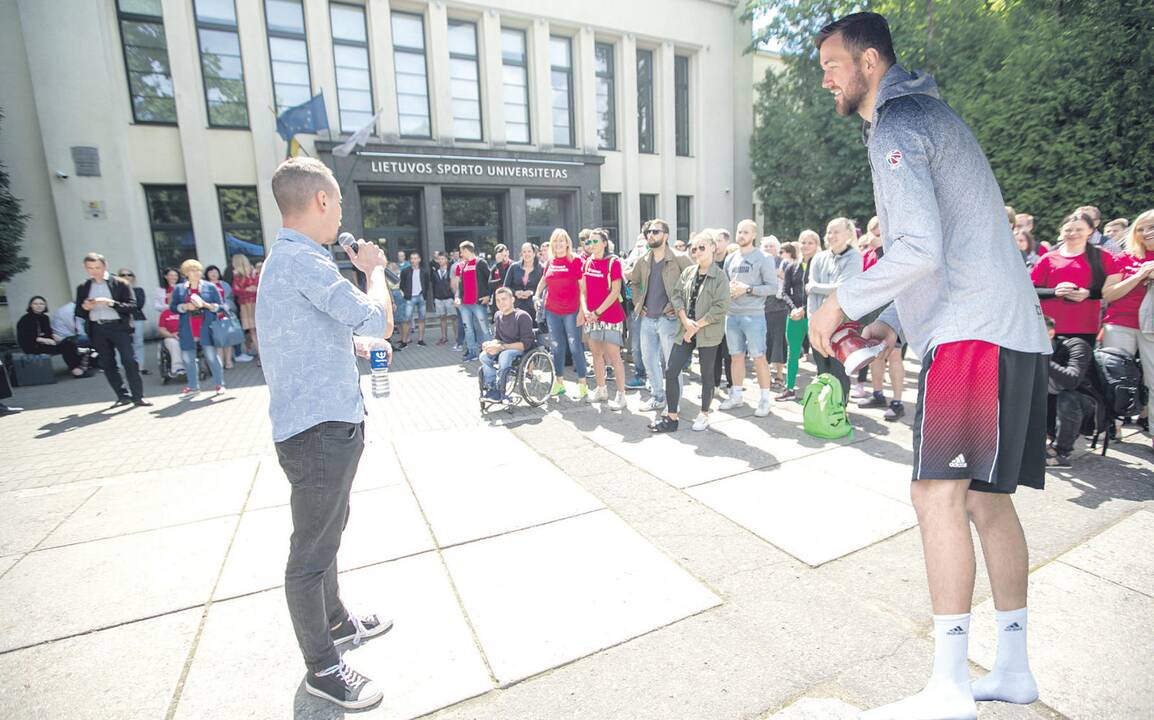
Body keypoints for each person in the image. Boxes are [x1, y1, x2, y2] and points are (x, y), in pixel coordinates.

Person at [810, 13, 1050, 719]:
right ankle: (1012, 669)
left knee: (935, 497)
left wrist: (840, 306)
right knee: (983, 501)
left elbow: (916, 248)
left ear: (871, 61)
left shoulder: (897, 122)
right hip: (1010, 334)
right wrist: (886, 324)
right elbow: (950, 244)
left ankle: (949, 688)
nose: (825, 75)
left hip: (972, 337)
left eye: (832, 62)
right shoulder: (930, 115)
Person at [256, 157, 394, 711]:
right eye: (337, 202)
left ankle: (335, 620)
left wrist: (348, 348)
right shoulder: (306, 263)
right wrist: (375, 270)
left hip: (319, 424)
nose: (340, 213)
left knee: (328, 533)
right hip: (319, 432)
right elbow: (376, 320)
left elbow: (306, 338)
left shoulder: (287, 262)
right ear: (319, 201)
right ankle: (323, 667)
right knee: (310, 553)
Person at [650, 230, 730, 432]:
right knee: (671, 370)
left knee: (707, 375)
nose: (697, 252)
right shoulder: (689, 272)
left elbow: (720, 308)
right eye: (694, 248)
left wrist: (695, 327)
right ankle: (672, 418)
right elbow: (676, 296)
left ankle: (704, 414)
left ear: (713, 247)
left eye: (702, 247)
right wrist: (685, 320)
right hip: (685, 329)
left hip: (707, 333)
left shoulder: (720, 277)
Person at [1101, 209, 1154, 450]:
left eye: (1151, 227)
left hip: (1151, 327)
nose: (1146, 233)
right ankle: (1110, 426)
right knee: (1111, 377)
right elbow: (1109, 293)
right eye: (1142, 228)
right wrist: (1140, 274)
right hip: (1120, 322)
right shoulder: (1124, 257)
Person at [628, 219, 694, 412]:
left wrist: (680, 306)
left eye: (655, 232)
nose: (651, 235)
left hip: (670, 319)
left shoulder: (680, 258)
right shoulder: (643, 260)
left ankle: (673, 403)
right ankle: (658, 397)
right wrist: (638, 302)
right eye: (648, 232)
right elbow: (634, 283)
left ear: (665, 235)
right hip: (648, 319)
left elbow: (694, 283)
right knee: (649, 361)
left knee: (672, 365)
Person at [718, 219, 778, 417]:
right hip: (732, 315)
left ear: (754, 235)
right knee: (735, 356)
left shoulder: (763, 257)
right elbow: (725, 284)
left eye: (745, 232)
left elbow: (773, 288)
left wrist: (748, 289)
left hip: (754, 315)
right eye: (739, 231)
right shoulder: (730, 258)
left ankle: (764, 399)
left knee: (759, 357)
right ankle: (736, 396)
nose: (741, 235)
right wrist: (728, 290)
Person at [74, 252, 150, 407]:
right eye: (90, 268)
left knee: (129, 360)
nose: (95, 271)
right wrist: (85, 307)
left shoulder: (120, 283)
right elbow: (78, 312)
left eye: (98, 267)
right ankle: (122, 396)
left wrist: (111, 303)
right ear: (86, 268)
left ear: (105, 266)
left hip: (118, 326)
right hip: (97, 328)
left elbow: (132, 306)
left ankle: (138, 396)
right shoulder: (84, 286)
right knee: (107, 363)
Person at [1031, 212, 1112, 346]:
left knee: (1082, 365)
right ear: (1061, 232)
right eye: (1068, 230)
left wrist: (1088, 293)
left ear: (1090, 231)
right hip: (1049, 327)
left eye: (1079, 229)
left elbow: (1110, 290)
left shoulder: (1102, 256)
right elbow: (1031, 290)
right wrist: (1054, 292)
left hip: (1085, 326)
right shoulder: (1047, 258)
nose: (1073, 233)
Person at [807, 217, 862, 399]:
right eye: (829, 231)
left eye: (836, 231)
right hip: (817, 324)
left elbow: (843, 288)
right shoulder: (818, 257)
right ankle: (823, 411)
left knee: (839, 371)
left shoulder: (854, 257)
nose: (831, 235)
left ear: (848, 234)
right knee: (822, 372)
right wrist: (811, 319)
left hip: (841, 325)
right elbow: (811, 294)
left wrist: (815, 287)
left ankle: (840, 409)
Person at [536, 229, 588, 399]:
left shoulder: (575, 261)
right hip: (552, 311)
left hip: (571, 311)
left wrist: (582, 310)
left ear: (567, 243)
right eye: (555, 241)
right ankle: (559, 384)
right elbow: (543, 282)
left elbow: (583, 288)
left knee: (575, 347)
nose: (558, 244)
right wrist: (536, 296)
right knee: (557, 348)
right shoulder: (550, 262)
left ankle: (583, 385)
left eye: (561, 241)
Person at [579, 228, 628, 410]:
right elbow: (583, 291)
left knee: (614, 356)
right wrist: (585, 310)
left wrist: (597, 312)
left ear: (605, 243)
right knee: (596, 354)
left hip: (611, 317)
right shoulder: (587, 262)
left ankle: (621, 395)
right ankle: (601, 389)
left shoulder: (613, 262)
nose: (591, 245)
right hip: (591, 317)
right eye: (589, 242)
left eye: (595, 241)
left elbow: (615, 292)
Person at [1044, 316, 1096, 468]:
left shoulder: (1075, 346)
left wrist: (1042, 359)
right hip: (1052, 407)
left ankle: (1061, 452)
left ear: (1050, 334)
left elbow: (1072, 381)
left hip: (1088, 408)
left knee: (1068, 398)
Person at [170, 259, 227, 396]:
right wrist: (184, 307)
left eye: (198, 270)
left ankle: (220, 384)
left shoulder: (210, 287)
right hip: (187, 328)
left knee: (211, 356)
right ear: (185, 273)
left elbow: (222, 307)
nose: (196, 273)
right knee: (188, 358)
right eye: (192, 270)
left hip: (206, 328)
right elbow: (172, 307)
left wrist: (205, 305)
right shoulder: (179, 289)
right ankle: (193, 387)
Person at [777, 232, 819, 402]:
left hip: (814, 315)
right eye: (803, 242)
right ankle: (789, 388)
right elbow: (785, 292)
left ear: (817, 244)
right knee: (792, 353)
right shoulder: (791, 266)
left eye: (810, 242)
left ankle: (820, 391)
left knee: (819, 355)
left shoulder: (820, 265)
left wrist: (804, 309)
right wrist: (794, 309)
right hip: (794, 316)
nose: (806, 245)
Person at [480, 287, 535, 401]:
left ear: (512, 299)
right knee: (484, 355)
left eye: (504, 299)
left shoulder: (522, 316)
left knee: (505, 355)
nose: (501, 303)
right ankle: (491, 387)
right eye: (498, 300)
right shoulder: (498, 315)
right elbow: (497, 338)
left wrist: (502, 347)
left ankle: (501, 388)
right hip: (503, 348)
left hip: (520, 350)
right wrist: (490, 344)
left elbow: (526, 344)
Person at [17, 296, 88, 377]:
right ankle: (75, 370)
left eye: (41, 304)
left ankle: (78, 366)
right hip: (33, 346)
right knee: (66, 346)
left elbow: (48, 332)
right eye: (35, 304)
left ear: (45, 306)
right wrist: (43, 340)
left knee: (70, 342)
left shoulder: (44, 317)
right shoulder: (26, 319)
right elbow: (25, 337)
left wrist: (54, 337)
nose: (39, 306)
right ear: (31, 305)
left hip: (45, 343)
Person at [453, 241, 491, 362]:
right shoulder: (463, 265)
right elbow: (460, 284)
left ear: (466, 250)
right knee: (468, 328)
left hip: (478, 302)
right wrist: (458, 296)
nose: (460, 253)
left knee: (484, 328)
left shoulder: (480, 262)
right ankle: (472, 351)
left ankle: (490, 352)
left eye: (461, 250)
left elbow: (489, 280)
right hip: (465, 304)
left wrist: (488, 296)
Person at [231, 254, 260, 360]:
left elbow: (235, 290)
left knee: (253, 331)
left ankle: (260, 356)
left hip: (246, 305)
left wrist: (246, 289)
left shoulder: (238, 275)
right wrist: (251, 289)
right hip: (256, 303)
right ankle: (261, 355)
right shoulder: (254, 273)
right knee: (258, 330)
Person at [504, 242, 542, 321]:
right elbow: (505, 287)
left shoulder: (541, 268)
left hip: (534, 307)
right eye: (524, 252)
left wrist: (532, 292)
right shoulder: (514, 267)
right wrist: (515, 293)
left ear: (534, 253)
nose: (526, 254)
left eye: (529, 251)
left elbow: (544, 288)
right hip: (516, 306)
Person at [399, 251, 428, 347]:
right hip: (410, 297)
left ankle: (420, 340)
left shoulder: (424, 271)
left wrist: (424, 294)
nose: (413, 260)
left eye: (415, 258)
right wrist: (406, 293)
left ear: (419, 260)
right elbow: (402, 284)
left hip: (421, 297)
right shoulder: (405, 271)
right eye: (412, 258)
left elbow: (427, 284)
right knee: (406, 319)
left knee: (422, 319)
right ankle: (404, 341)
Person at [430, 252, 455, 345]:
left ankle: (457, 338)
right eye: (439, 259)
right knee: (442, 318)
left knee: (454, 318)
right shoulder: (435, 271)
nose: (441, 261)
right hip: (438, 298)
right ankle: (444, 337)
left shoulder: (450, 270)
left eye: (443, 259)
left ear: (446, 260)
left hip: (449, 297)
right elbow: (433, 284)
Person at [156, 306, 185, 376]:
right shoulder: (165, 314)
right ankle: (178, 368)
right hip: (170, 336)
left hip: (187, 335)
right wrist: (172, 335)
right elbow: (161, 330)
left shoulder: (188, 312)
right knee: (173, 342)